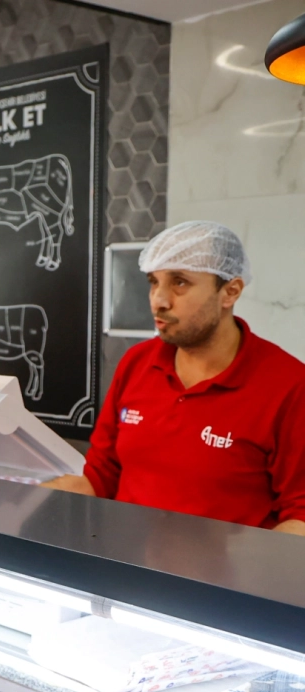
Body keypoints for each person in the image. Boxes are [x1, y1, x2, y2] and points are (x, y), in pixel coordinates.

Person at [43, 221, 305, 533]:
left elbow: (299, 514)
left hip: (219, 580)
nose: (159, 300)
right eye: (154, 282)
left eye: (180, 282)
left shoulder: (288, 385)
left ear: (230, 292)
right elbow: (101, 477)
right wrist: (23, 504)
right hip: (122, 568)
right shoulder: (137, 363)